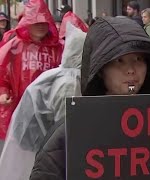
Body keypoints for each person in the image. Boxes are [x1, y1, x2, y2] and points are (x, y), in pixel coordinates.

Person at [29, 16, 150, 180]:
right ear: (100, 69)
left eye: (138, 59)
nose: (131, 69)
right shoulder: (69, 133)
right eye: (119, 60)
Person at [0, 23, 84, 180]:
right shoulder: (70, 82)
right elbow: (66, 129)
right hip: (41, 141)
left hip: (37, 137)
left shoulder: (62, 73)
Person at [0, 0, 63, 140]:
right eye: (36, 22)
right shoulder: (13, 47)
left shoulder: (58, 47)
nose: (40, 25)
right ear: (27, 23)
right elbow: (2, 74)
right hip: (20, 109)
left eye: (43, 21)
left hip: (49, 110)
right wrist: (3, 93)